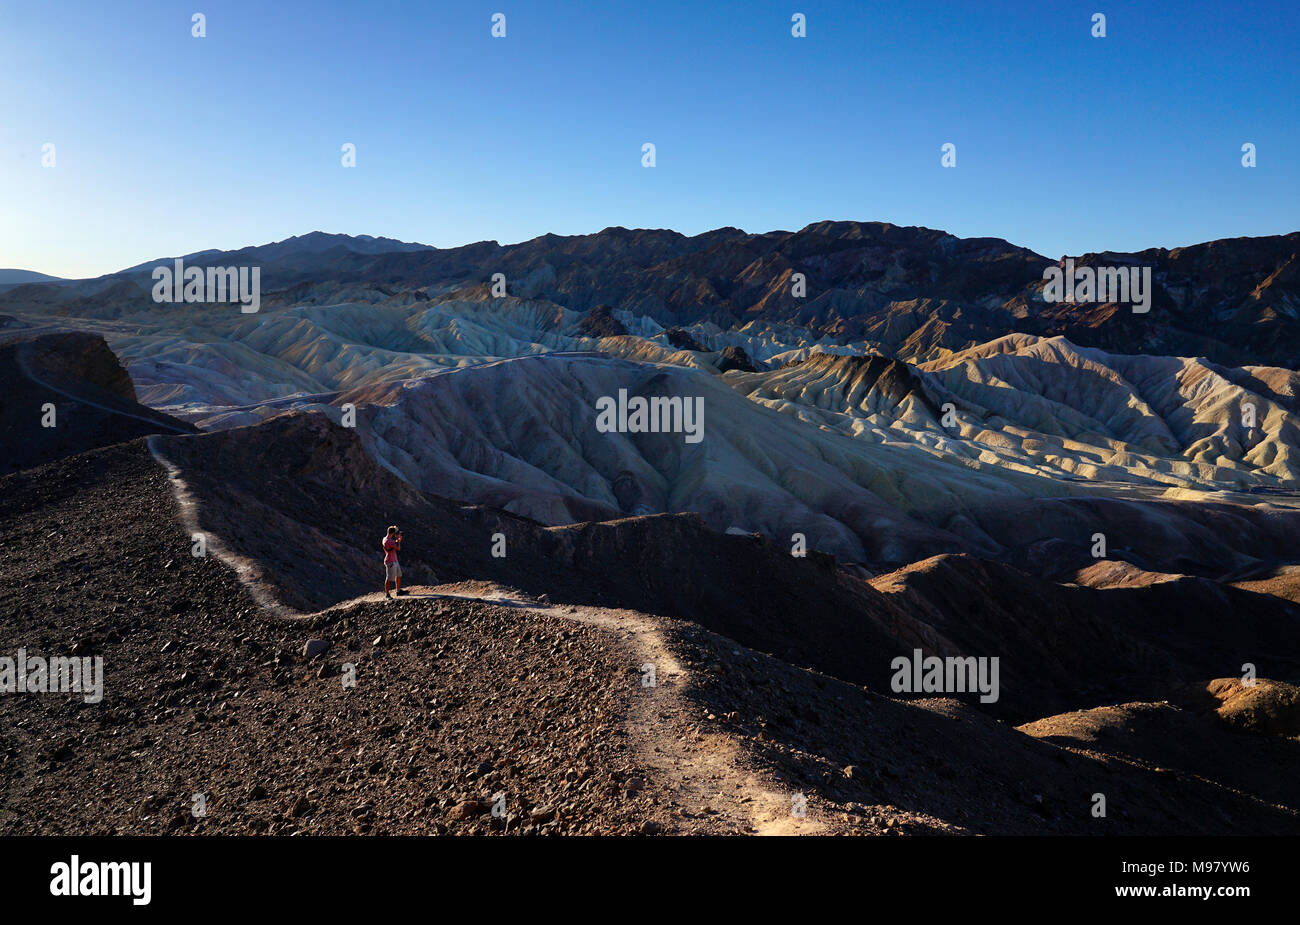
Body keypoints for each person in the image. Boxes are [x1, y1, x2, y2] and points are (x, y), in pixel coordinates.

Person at [383, 525, 405, 598]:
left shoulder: (385, 539)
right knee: (389, 578)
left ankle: (398, 591)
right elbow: (398, 548)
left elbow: (390, 546)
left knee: (398, 575)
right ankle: (387, 594)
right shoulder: (389, 541)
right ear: (392, 533)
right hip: (391, 561)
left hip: (393, 560)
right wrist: (399, 541)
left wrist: (396, 541)